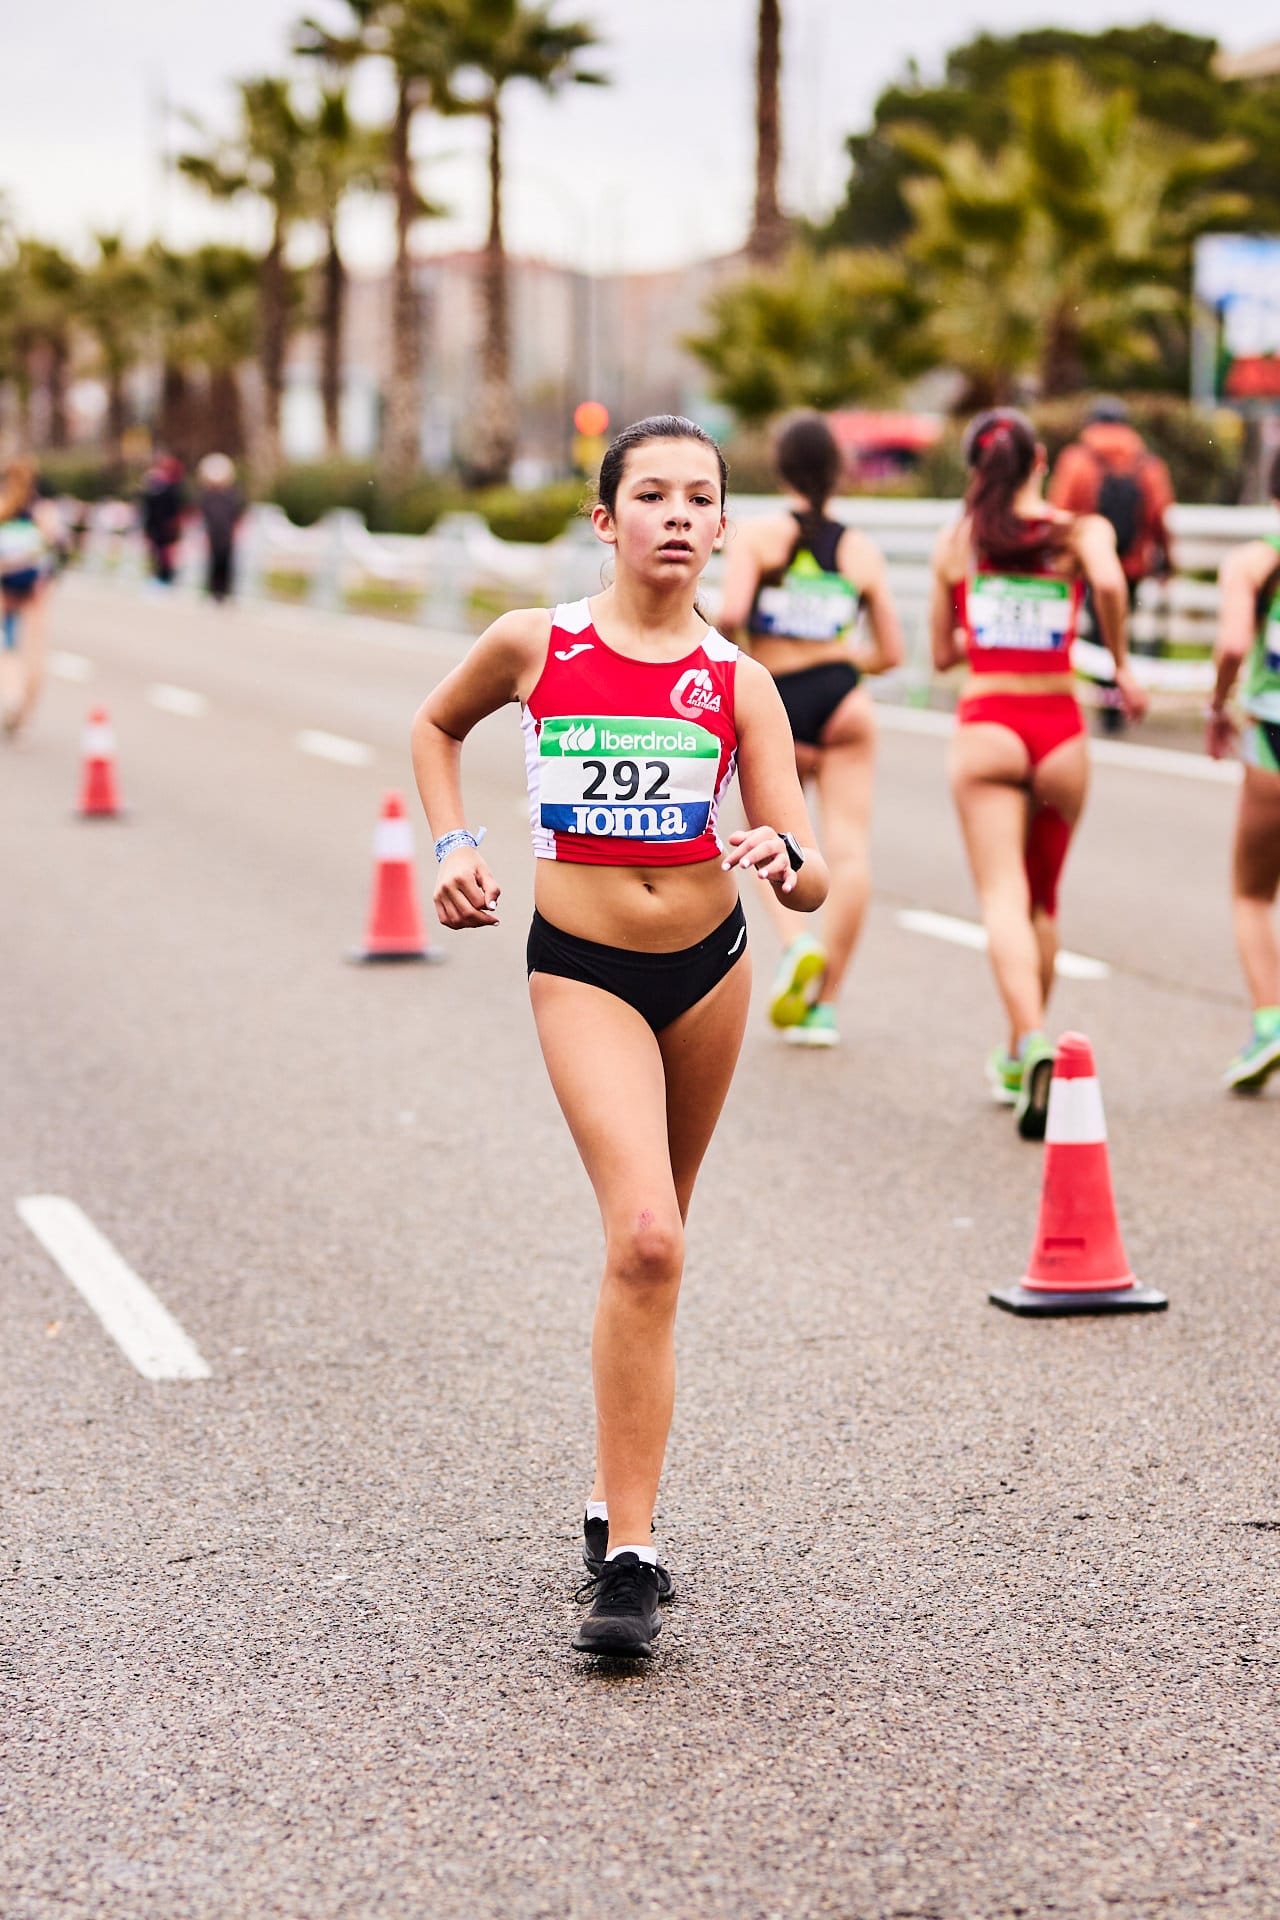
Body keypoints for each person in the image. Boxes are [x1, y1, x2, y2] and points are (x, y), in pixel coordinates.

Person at [411, 416, 828, 1658]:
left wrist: (778, 854)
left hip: (707, 975)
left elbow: (808, 872)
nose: (678, 516)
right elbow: (436, 730)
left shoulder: (739, 683)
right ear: (606, 520)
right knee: (644, 1238)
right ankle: (633, 1563)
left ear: (718, 522)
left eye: (700, 497)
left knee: (658, 1247)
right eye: (651, 495)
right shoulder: (537, 645)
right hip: (582, 970)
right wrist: (453, 845)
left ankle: (611, 1497)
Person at [930, 408, 1147, 1138]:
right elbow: (1113, 589)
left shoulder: (959, 541)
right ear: (1041, 459)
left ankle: (1028, 1046)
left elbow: (940, 654)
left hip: (989, 724)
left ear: (975, 471)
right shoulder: (1078, 532)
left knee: (1001, 898)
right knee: (1042, 904)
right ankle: (1026, 1041)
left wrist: (987, 629)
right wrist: (1118, 664)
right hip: (1061, 734)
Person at [717, 411, 904, 1048]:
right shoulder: (861, 550)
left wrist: (750, 664)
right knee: (848, 848)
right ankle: (825, 1004)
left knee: (767, 838)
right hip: (844, 699)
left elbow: (733, 611)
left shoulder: (762, 537)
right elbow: (893, 652)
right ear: (837, 471)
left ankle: (797, 944)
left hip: (778, 696)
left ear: (781, 466)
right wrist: (842, 656)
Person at [1207, 451, 1280, 1092]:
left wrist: (1217, 704)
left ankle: (1270, 1021)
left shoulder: (1254, 560)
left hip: (1272, 734)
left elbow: (1234, 643)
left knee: (1253, 895)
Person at [1049, 399, 1175, 602]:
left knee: (1096, 622)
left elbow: (1061, 511)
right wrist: (1167, 563)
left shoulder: (1076, 461)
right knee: (1122, 618)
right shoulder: (1147, 464)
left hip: (1089, 563)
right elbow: (1158, 515)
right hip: (1132, 565)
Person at [0, 458, 58, 738]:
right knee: (35, 652)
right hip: (35, 588)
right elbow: (56, 550)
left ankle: (12, 694)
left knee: (5, 647)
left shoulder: (3, 507)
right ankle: (24, 713)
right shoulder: (44, 511)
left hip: (3, 585)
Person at [196, 454, 245, 603]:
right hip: (213, 533)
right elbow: (203, 516)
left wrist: (236, 531)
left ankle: (225, 592)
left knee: (227, 563)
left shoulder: (232, 495)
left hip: (227, 534)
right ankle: (213, 591)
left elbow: (238, 514)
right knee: (213, 563)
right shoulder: (207, 496)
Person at [139, 453, 186, 586]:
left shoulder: (175, 489)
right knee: (154, 553)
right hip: (154, 526)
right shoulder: (154, 486)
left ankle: (166, 578)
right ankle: (156, 576)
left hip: (168, 528)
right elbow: (147, 505)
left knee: (166, 555)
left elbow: (177, 509)